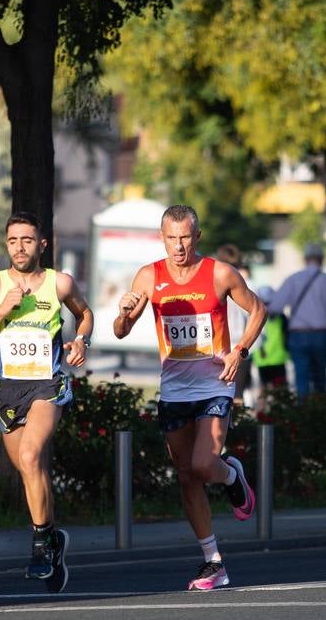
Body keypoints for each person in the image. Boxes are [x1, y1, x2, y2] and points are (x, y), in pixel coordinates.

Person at [113, 205, 267, 591]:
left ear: (196, 237)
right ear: (161, 238)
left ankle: (232, 475)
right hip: (175, 388)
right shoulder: (149, 276)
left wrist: (240, 351)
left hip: (215, 384)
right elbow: (121, 331)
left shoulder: (220, 273)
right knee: (185, 476)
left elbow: (258, 309)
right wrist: (123, 313)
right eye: (171, 238)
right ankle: (213, 562)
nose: (178, 246)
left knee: (202, 465)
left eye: (185, 237)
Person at [0, 211, 93, 594]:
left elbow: (85, 315)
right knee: (27, 469)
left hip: (46, 385)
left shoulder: (59, 283)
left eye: (27, 240)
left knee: (32, 456)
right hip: (10, 391)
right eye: (13, 241)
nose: (20, 248)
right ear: (7, 245)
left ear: (42, 244)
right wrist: (2, 310)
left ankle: (39, 545)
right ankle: (53, 540)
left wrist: (82, 340)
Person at [268, 242, 326, 397]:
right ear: (322, 259)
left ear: (305, 259)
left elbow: (275, 307)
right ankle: (319, 413)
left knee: (301, 379)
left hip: (298, 335)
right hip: (322, 335)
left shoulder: (293, 279)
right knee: (320, 378)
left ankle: (303, 414)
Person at [216, 244, 252, 406]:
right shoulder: (243, 285)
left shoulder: (213, 284)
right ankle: (238, 429)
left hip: (220, 349)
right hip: (239, 347)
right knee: (237, 396)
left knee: (218, 395)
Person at [251, 285, 289, 412]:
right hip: (277, 358)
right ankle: (277, 415)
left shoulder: (255, 316)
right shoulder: (281, 317)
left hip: (265, 359)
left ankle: (262, 416)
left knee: (265, 390)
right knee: (279, 392)